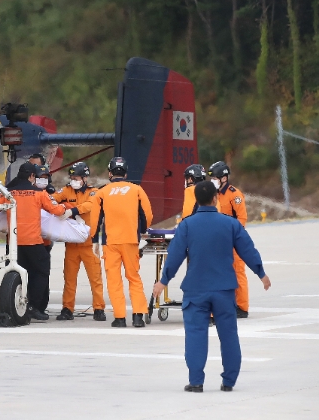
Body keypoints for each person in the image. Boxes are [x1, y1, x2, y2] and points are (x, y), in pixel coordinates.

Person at [153, 180, 271, 393]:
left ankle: (196, 381)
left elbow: (175, 256)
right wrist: (261, 273)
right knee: (228, 335)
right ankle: (229, 382)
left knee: (196, 333)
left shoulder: (187, 225)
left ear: (195, 199)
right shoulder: (230, 224)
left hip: (196, 289)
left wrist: (164, 281)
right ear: (216, 198)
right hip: (224, 289)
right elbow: (248, 249)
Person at [6, 162, 70, 321]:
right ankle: (34, 306)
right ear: (32, 176)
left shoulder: (8, 193)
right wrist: (66, 207)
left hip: (13, 243)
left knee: (15, 274)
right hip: (33, 242)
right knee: (40, 272)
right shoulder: (39, 194)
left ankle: (15, 304)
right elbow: (57, 210)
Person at [94, 157, 152, 328]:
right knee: (134, 278)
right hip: (130, 240)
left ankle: (119, 318)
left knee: (114, 280)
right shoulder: (136, 190)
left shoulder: (102, 192)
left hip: (110, 242)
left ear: (110, 173)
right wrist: (142, 229)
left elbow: (95, 218)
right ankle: (138, 316)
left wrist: (94, 239)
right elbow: (147, 214)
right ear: (125, 173)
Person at [53, 162, 105, 322]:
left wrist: (72, 210)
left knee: (95, 278)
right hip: (72, 245)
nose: (73, 180)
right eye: (72, 178)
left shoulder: (93, 192)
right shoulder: (67, 191)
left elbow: (90, 206)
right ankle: (67, 309)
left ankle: (99, 309)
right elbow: (54, 199)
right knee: (69, 278)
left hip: (89, 244)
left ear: (84, 178)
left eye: (76, 178)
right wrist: (58, 205)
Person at [209, 161, 250, 318]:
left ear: (224, 178)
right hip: (219, 240)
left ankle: (242, 307)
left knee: (238, 271)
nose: (213, 181)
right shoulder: (214, 195)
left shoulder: (235, 195)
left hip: (234, 239)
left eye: (215, 178)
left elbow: (242, 218)